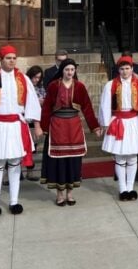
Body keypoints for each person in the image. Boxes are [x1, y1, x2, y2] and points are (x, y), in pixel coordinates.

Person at [0, 45, 42, 216]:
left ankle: (14, 201)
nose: (12, 61)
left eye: (14, 58)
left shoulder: (23, 79)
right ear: (1, 59)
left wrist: (37, 125)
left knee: (14, 163)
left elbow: (32, 102)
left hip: (16, 126)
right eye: (8, 58)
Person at [40, 58, 102, 206]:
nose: (69, 72)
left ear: (75, 71)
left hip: (73, 126)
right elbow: (47, 108)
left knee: (73, 159)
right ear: (62, 70)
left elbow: (87, 107)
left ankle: (70, 193)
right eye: (67, 69)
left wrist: (95, 126)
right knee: (58, 160)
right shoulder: (54, 86)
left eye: (72, 70)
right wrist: (42, 127)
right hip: (57, 126)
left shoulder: (80, 86)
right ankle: (60, 194)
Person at [100, 55, 138, 200]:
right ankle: (122, 189)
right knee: (120, 157)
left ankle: (131, 188)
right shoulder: (110, 85)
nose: (125, 72)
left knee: (132, 157)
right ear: (118, 70)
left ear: (132, 69)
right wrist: (105, 124)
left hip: (134, 122)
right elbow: (104, 106)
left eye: (127, 68)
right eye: (122, 69)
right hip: (118, 121)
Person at [25, 65, 46, 181]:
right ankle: (12, 173)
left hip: (35, 121)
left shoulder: (40, 88)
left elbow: (45, 99)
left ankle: (30, 172)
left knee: (33, 148)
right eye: (34, 77)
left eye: (38, 78)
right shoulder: (24, 86)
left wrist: (41, 102)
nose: (36, 80)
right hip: (25, 120)